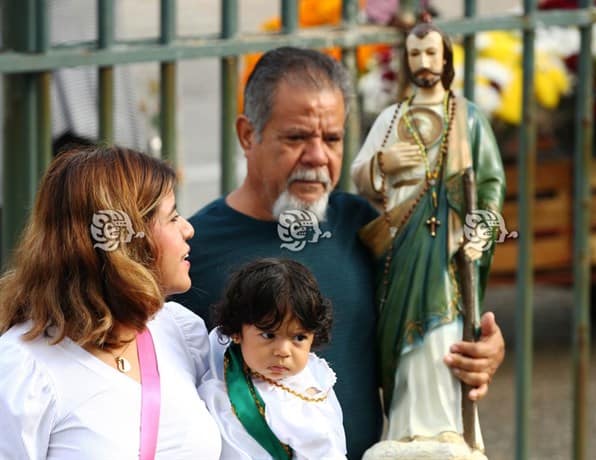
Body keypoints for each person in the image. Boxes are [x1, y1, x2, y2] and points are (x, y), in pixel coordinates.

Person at [173, 46, 505, 460]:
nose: (318, 157)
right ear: (247, 134)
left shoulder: (363, 226)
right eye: (296, 137)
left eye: (331, 139)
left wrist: (475, 353)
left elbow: (415, 327)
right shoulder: (192, 250)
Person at [0, 146, 222, 459]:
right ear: (127, 242)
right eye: (172, 217)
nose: (188, 228)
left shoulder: (179, 331)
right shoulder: (24, 369)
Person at [351, 16, 505, 453]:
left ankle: (446, 423)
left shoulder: (468, 119)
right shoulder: (390, 117)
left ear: (446, 57)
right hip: (402, 247)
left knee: (443, 335)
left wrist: (482, 227)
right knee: (402, 337)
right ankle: (404, 424)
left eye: (431, 52)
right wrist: (383, 165)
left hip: (448, 253)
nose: (423, 61)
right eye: (415, 53)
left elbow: (491, 183)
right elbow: (360, 174)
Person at [201, 258, 346, 459]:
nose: (283, 351)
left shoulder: (313, 389)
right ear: (237, 331)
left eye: (299, 338)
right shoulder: (218, 374)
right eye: (268, 335)